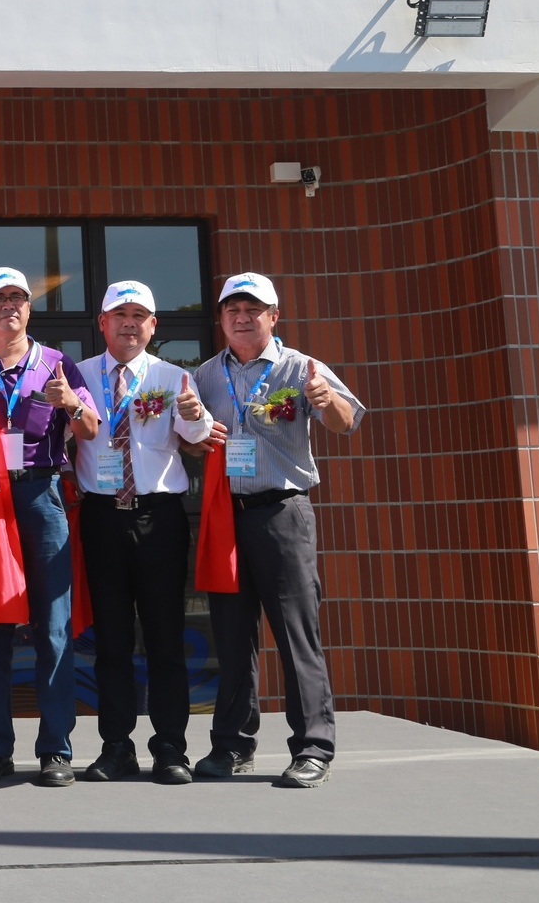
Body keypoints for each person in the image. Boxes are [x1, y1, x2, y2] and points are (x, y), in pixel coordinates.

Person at [194, 272, 363, 789]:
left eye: (253, 310)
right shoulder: (203, 375)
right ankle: (232, 746)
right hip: (225, 514)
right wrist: (195, 434)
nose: (242, 319)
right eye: (232, 311)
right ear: (221, 319)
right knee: (231, 633)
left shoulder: (301, 367)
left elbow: (347, 421)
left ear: (274, 316)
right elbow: (189, 440)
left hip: (282, 513)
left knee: (295, 634)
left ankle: (313, 747)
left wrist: (323, 397)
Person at [0, 267, 99, 787]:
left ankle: (56, 749)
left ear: (29, 309)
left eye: (18, 298)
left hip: (39, 493)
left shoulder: (57, 364)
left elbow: (91, 429)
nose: (9, 306)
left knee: (53, 628)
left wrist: (71, 403)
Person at [72, 280, 213, 786]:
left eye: (140, 316)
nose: (129, 323)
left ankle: (171, 747)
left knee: (164, 637)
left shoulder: (174, 377)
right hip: (102, 515)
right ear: (102, 323)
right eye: (119, 314)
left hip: (159, 517)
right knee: (111, 640)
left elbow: (197, 439)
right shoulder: (79, 375)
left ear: (153, 326)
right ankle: (115, 747)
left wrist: (195, 418)